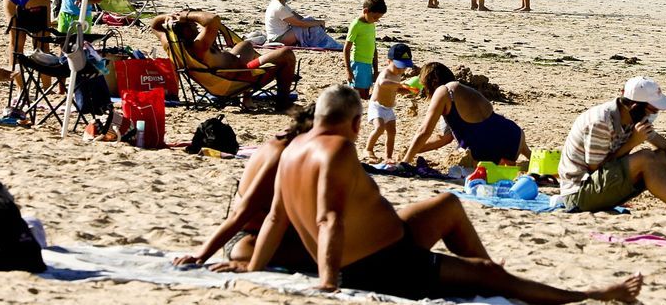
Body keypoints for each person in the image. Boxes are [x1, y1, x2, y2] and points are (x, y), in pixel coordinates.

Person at [248, 85, 641, 302]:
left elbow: (276, 217)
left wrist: (250, 270)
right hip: (381, 265)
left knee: (447, 203)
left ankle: (487, 269)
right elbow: (328, 218)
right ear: (355, 122)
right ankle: (592, 294)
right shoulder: (337, 149)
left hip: (388, 242)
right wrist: (329, 281)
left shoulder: (294, 149)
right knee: (488, 277)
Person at [559, 77, 666, 222]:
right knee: (646, 158)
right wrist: (632, 143)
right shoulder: (601, 122)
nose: (653, 115)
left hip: (599, 185)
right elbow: (596, 168)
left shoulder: (634, 118)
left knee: (661, 157)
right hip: (578, 193)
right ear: (635, 106)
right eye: (652, 110)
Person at [172, 106, 316, 271]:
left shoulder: (292, 145)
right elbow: (241, 213)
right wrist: (201, 256)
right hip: (248, 239)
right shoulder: (280, 154)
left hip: (273, 235)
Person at [151, 9, 295, 110]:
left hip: (226, 75)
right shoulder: (199, 46)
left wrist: (170, 16)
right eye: (193, 25)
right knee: (286, 54)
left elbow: (154, 24)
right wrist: (186, 15)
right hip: (237, 80)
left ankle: (247, 97)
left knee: (245, 45)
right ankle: (282, 103)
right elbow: (213, 20)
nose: (197, 27)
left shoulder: (172, 45)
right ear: (187, 31)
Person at [401, 62, 529, 165]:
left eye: (424, 86)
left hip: (487, 148)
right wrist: (412, 150)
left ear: (433, 81)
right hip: (515, 136)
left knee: (461, 155)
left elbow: (424, 131)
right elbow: (444, 138)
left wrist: (405, 160)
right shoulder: (462, 91)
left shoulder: (443, 91)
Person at [365, 43, 415, 163]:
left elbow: (396, 89)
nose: (401, 70)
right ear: (389, 62)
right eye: (398, 66)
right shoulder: (386, 73)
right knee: (379, 128)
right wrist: (400, 84)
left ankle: (388, 156)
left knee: (392, 133)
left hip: (389, 109)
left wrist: (406, 90)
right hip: (377, 107)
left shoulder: (398, 75)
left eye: (404, 67)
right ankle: (368, 149)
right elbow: (383, 83)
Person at [264, 0, 333, 48]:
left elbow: (299, 17)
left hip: (282, 35)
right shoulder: (279, 7)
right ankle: (326, 45)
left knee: (309, 21)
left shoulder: (280, 4)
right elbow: (300, 23)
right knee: (308, 27)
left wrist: (313, 21)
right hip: (277, 39)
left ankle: (325, 42)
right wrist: (319, 22)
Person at [344, 0, 386, 100]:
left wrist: (375, 70)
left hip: (368, 64)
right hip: (358, 63)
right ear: (366, 11)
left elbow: (373, 47)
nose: (376, 20)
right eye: (375, 17)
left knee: (366, 93)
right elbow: (346, 48)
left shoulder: (371, 24)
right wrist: (348, 70)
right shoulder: (356, 25)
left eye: (378, 18)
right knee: (359, 95)